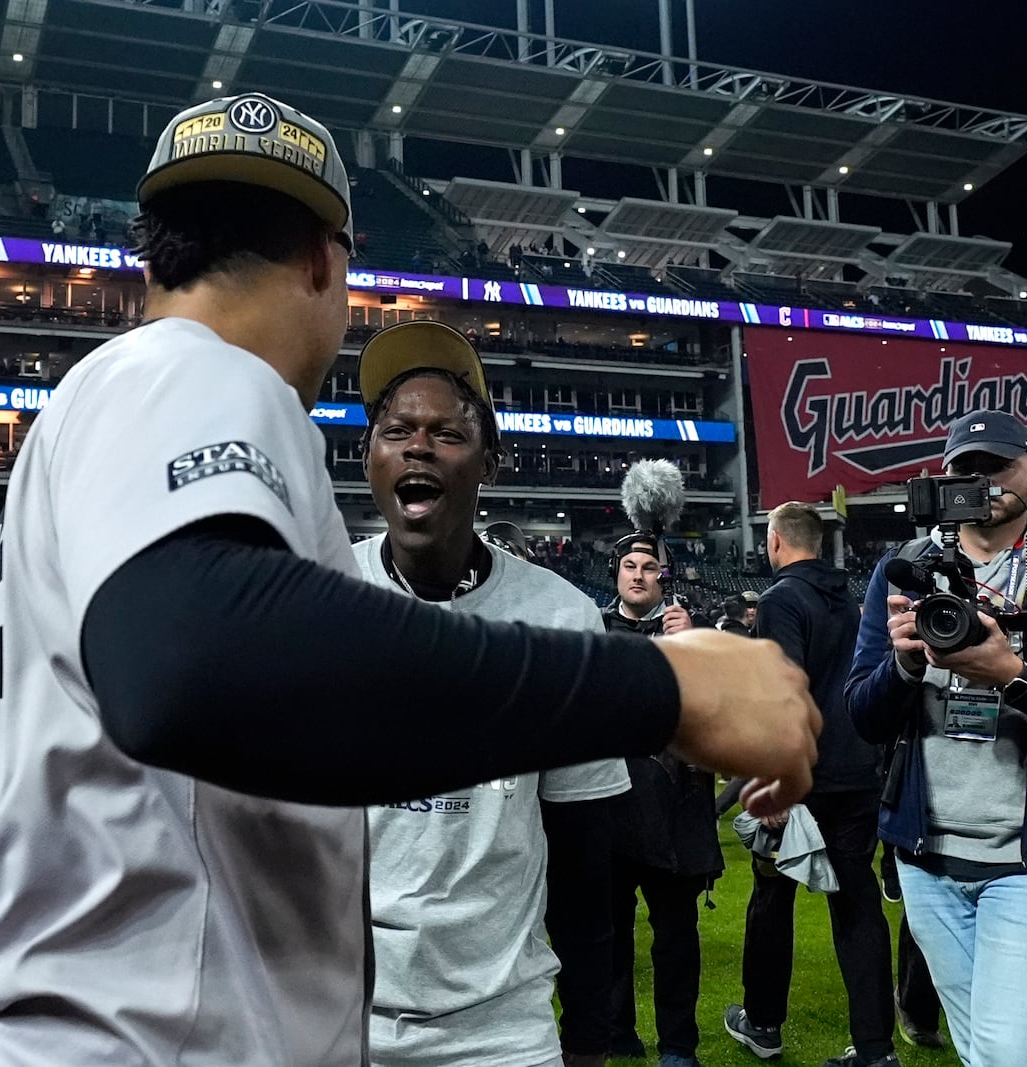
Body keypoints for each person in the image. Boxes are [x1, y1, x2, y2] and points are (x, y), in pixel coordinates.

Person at [0, 91, 821, 1066]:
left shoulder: (88, 408)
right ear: (324, 259)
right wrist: (664, 685)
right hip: (130, 1036)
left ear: (152, 255)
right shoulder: (201, 374)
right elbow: (191, 663)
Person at [353, 320, 631, 1067]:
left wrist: (589, 1041)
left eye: (448, 432)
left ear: (491, 462)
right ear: (368, 457)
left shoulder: (562, 618)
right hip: (335, 1018)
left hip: (501, 1030)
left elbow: (584, 863)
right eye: (397, 430)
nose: (418, 445)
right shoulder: (319, 594)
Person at [846, 410, 1027, 1067]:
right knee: (984, 1047)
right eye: (965, 468)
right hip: (929, 860)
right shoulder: (902, 572)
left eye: (997, 465)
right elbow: (861, 716)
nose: (980, 480)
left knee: (1008, 1053)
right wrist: (903, 666)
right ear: (944, 480)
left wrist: (1013, 675)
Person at [723, 502, 895, 1067]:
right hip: (859, 772)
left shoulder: (778, 599)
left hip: (804, 776)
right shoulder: (853, 597)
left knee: (772, 896)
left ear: (774, 541)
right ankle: (875, 1048)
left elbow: (784, 692)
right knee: (858, 905)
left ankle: (763, 1023)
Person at [559, 534, 720, 1067]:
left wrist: (695, 646)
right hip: (604, 808)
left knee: (676, 938)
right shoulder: (592, 628)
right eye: (628, 565)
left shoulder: (696, 634)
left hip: (676, 810)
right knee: (608, 935)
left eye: (649, 567)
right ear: (615, 573)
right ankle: (615, 1031)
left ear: (664, 578)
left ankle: (678, 1045)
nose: (637, 574)